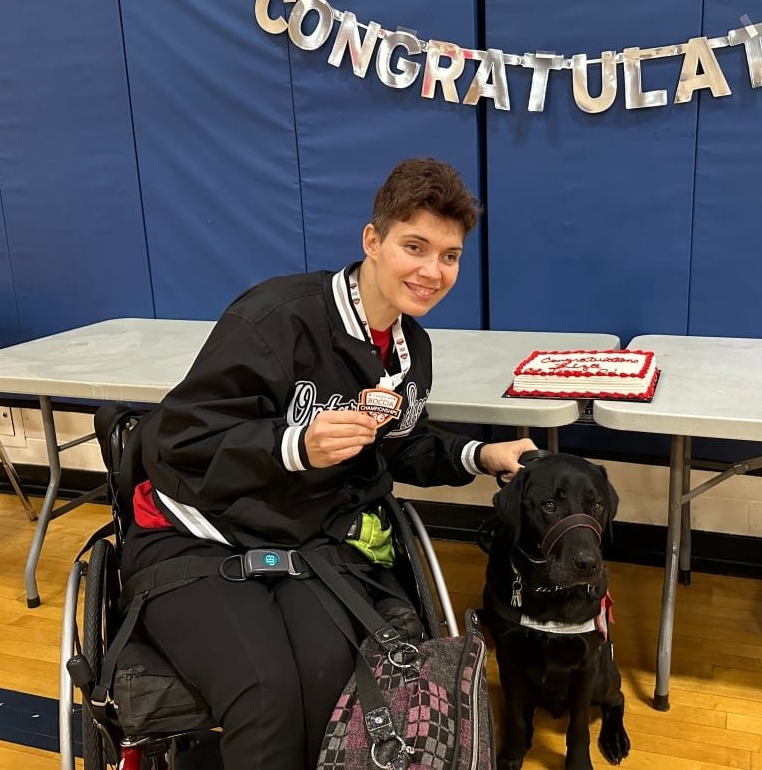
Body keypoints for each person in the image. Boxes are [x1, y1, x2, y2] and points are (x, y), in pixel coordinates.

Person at [120, 157, 536, 769]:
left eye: (449, 256)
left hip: (307, 541)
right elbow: (180, 439)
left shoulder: (408, 347)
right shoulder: (274, 319)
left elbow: (398, 444)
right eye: (414, 246)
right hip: (196, 534)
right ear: (373, 240)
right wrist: (293, 445)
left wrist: (480, 454)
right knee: (266, 695)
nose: (431, 271)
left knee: (334, 679)